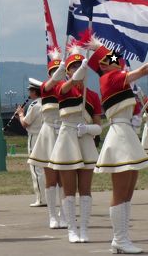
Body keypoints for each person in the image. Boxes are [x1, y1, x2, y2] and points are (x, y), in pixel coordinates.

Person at [88, 36, 148, 253]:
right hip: (120, 135)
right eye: (113, 59)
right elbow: (145, 69)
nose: (118, 60)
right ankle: (119, 239)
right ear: (103, 65)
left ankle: (121, 238)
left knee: (128, 189)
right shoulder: (111, 77)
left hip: (126, 132)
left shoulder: (115, 77)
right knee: (121, 191)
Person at [47, 43, 102, 243]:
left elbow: (99, 126)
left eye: (81, 67)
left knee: (86, 190)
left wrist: (88, 129)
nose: (78, 71)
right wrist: (80, 70)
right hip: (67, 139)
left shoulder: (94, 96)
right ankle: (72, 229)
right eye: (73, 68)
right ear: (68, 71)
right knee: (69, 189)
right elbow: (68, 84)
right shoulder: (63, 88)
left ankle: (84, 228)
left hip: (85, 140)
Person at [28, 49, 66, 229]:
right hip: (49, 133)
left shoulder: (70, 90)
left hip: (65, 133)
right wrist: (59, 73)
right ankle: (52, 215)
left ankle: (64, 214)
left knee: (65, 178)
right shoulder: (46, 87)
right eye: (54, 72)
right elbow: (51, 84)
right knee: (50, 178)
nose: (57, 75)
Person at [16, 78, 46, 207]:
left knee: (36, 167)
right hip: (46, 136)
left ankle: (41, 199)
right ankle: (49, 197)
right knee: (47, 168)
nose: (29, 93)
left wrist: (20, 114)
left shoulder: (34, 105)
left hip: (35, 137)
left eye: (30, 91)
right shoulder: (46, 103)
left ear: (34, 92)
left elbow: (25, 123)